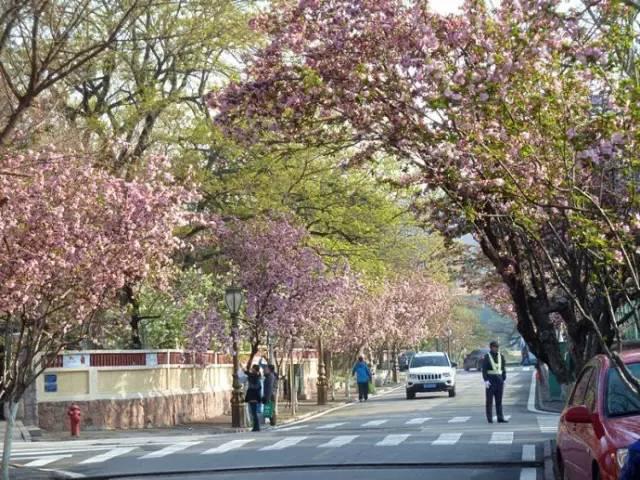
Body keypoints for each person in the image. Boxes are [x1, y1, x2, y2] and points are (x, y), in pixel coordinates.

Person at [482, 340, 508, 423]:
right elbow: (484, 369)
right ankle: (489, 418)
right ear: (491, 347)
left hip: (499, 381)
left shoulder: (501, 356)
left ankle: (500, 418)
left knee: (499, 401)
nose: (496, 348)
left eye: (497, 347)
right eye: (494, 347)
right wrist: (486, 380)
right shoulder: (487, 356)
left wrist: (504, 378)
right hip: (490, 381)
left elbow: (503, 368)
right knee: (489, 401)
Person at [245, 364, 262, 431]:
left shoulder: (256, 377)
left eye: (253, 368)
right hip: (253, 396)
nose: (251, 369)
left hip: (253, 397)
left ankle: (256, 427)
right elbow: (248, 374)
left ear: (255, 369)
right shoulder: (254, 376)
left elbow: (255, 387)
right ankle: (255, 426)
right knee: (253, 413)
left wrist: (250, 384)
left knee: (254, 413)